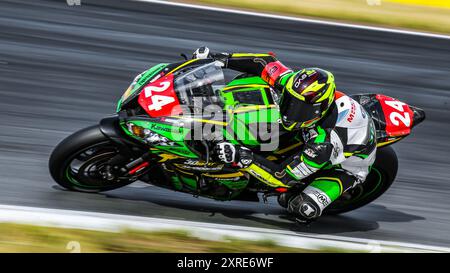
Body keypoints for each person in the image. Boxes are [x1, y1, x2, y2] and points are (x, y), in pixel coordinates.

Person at [192, 47, 377, 224]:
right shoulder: (294, 86)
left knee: (302, 207)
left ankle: (318, 194)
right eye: (290, 101)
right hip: (315, 132)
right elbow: (263, 62)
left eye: (300, 109)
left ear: (319, 110)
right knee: (255, 83)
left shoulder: (323, 144)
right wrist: (219, 58)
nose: (291, 111)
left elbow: (282, 178)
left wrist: (242, 157)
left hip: (347, 167)